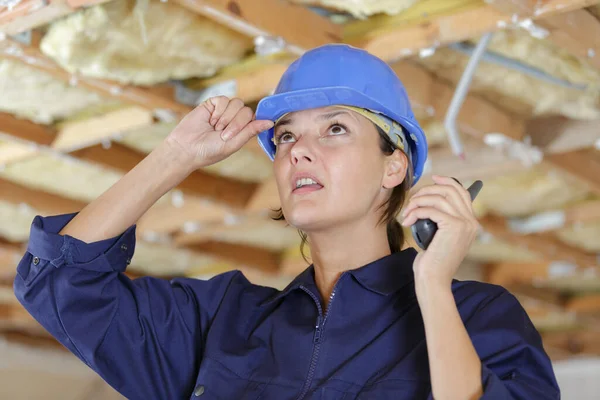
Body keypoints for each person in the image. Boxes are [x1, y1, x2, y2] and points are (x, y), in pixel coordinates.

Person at [13, 44, 559, 400]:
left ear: (395, 165)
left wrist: (434, 287)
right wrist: (175, 155)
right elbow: (59, 280)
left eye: (336, 129)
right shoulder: (223, 322)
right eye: (288, 135)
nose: (299, 151)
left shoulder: (477, 317)